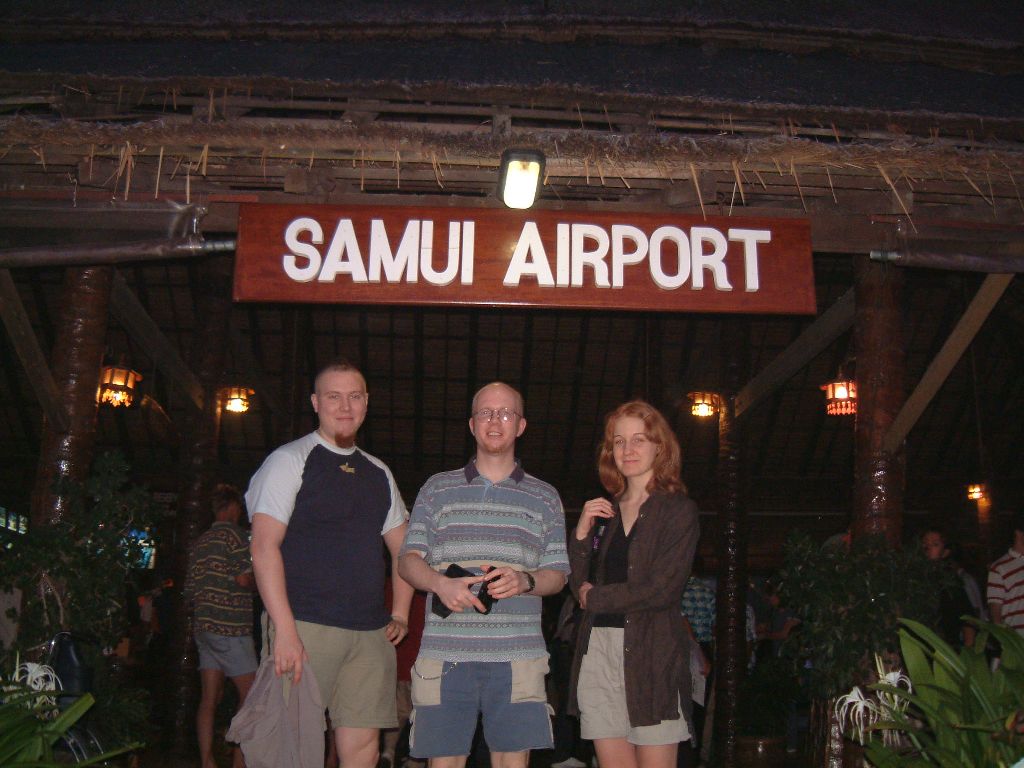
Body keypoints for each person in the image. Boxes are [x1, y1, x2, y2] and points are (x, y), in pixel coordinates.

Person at [246, 360, 414, 768]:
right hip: (304, 625)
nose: (345, 406)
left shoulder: (379, 472)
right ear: (316, 402)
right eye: (334, 396)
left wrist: (400, 612)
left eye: (354, 396)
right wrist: (284, 630)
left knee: (364, 749)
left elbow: (405, 550)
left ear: (366, 403)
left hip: (370, 632)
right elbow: (264, 547)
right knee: (289, 749)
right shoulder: (289, 460)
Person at [398, 381, 570, 768]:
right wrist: (439, 583)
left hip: (518, 656)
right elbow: (407, 561)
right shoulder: (437, 488)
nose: (495, 420)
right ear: (472, 424)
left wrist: (525, 581)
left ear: (521, 425)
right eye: (486, 413)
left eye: (506, 413)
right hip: (445, 654)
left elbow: (558, 575)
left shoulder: (545, 497)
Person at [568, 400, 700, 768]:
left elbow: (662, 589)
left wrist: (596, 597)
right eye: (619, 441)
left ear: (660, 446)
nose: (628, 449)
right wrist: (580, 535)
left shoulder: (678, 510)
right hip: (598, 650)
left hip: (652, 652)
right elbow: (577, 587)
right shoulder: (603, 511)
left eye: (639, 439)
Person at [184, 483, 257, 768]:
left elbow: (190, 590)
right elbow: (242, 578)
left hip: (204, 629)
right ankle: (239, 762)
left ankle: (207, 760)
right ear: (233, 507)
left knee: (208, 699)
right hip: (231, 628)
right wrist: (260, 585)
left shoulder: (200, 542)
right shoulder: (236, 536)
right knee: (251, 696)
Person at [921, 527, 975, 648]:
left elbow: (968, 619)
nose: (928, 547)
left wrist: (968, 653)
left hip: (944, 648)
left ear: (945, 552)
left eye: (935, 544)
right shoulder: (913, 579)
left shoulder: (950, 583)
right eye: (925, 543)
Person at [987, 511, 1024, 637]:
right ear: (1018, 533)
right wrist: (1005, 639)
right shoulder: (999, 568)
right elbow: (995, 611)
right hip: (1018, 642)